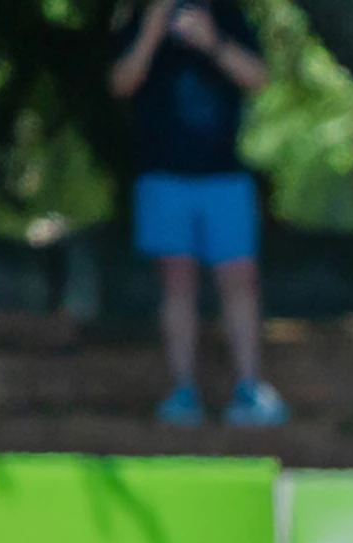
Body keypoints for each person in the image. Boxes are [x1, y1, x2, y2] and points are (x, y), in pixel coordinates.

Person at [110, 0, 286, 427]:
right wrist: (152, 31)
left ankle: (248, 389)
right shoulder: (134, 15)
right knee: (176, 283)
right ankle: (182, 391)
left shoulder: (226, 14)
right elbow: (121, 83)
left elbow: (259, 78)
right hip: (163, 176)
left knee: (240, 279)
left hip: (223, 177)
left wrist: (213, 43)